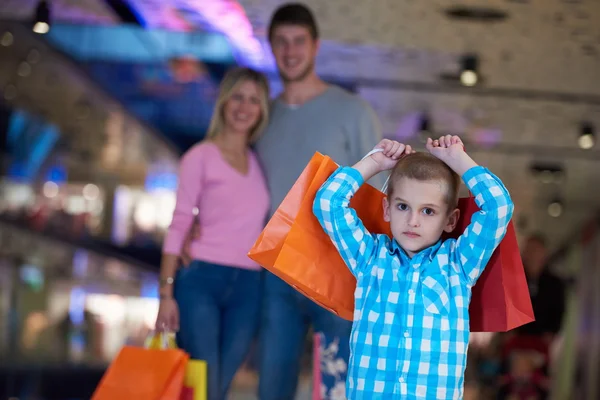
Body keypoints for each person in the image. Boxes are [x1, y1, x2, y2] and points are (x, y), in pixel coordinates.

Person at [313, 136, 514, 399]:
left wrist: (458, 160)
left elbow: (499, 207)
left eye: (428, 211)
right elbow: (328, 203)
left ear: (450, 219)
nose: (412, 221)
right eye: (403, 206)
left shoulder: (459, 264)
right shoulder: (370, 258)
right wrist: (374, 162)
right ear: (387, 208)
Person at [254, 3, 384, 399]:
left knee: (338, 388)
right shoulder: (262, 118)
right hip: (277, 270)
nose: (290, 51)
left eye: (298, 41)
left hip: (338, 266)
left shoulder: (352, 111)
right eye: (281, 42)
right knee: (272, 387)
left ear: (315, 46)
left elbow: (379, 189)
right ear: (271, 47)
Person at [155, 67, 271, 400]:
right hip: (201, 281)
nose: (244, 107)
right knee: (203, 384)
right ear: (224, 101)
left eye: (253, 100)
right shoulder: (199, 157)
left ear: (261, 110)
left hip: (249, 286)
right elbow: (178, 224)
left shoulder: (258, 162)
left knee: (218, 387)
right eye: (238, 96)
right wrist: (165, 296)